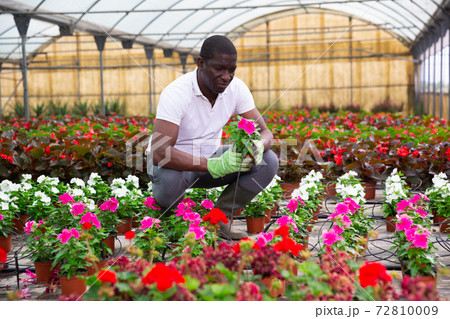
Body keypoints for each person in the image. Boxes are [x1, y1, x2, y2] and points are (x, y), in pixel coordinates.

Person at [147, 35, 278, 239]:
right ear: (201, 63)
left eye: (232, 70)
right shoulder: (176, 93)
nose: (226, 77)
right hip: (174, 165)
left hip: (211, 158)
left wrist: (258, 145)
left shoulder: (236, 89)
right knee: (171, 182)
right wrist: (211, 165)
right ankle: (178, 224)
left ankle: (217, 219)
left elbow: (266, 132)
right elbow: (159, 152)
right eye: (219, 69)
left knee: (267, 161)